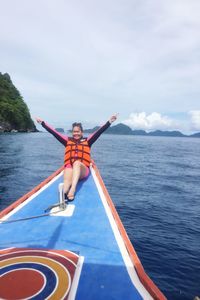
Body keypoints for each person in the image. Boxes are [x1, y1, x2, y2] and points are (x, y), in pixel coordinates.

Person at [36, 114, 117, 200]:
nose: (76, 133)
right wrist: (43, 123)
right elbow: (54, 132)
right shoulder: (67, 141)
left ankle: (73, 189)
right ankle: (64, 193)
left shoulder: (88, 141)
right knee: (67, 177)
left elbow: (99, 132)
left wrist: (109, 122)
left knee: (77, 163)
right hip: (70, 167)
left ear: (81, 132)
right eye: (74, 132)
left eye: (78, 131)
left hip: (83, 170)